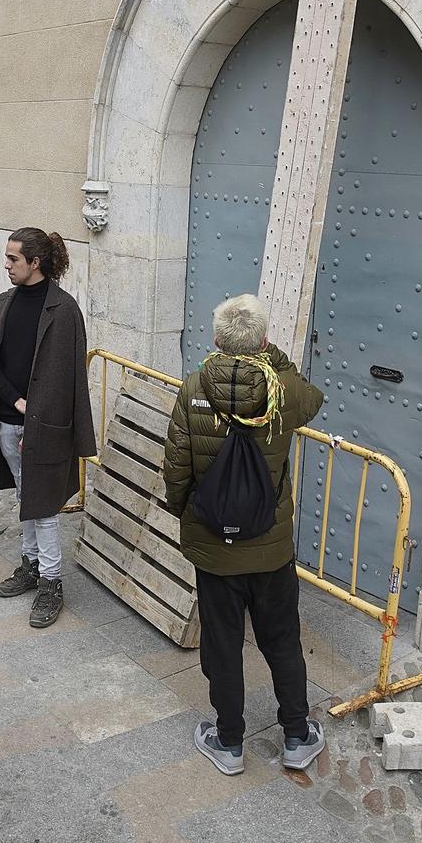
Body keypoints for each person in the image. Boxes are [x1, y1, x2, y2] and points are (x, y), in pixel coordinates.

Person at [163, 293, 326, 776]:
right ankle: (296, 735)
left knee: (222, 642)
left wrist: (190, 517)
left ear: (216, 340)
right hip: (270, 548)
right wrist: (274, 357)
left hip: (215, 549)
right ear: (263, 340)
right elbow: (313, 399)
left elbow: (176, 470)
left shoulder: (193, 386)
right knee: (281, 640)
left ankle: (229, 741)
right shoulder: (285, 394)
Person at [0, 226, 96, 629]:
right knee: (26, 497)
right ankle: (29, 565)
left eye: (13, 259)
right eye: (7, 258)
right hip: (7, 422)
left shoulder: (64, 310)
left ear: (35, 263)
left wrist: (40, 414)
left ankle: (52, 582)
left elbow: (69, 379)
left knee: (43, 506)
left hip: (45, 428)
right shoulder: (3, 304)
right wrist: (15, 401)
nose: (5, 265)